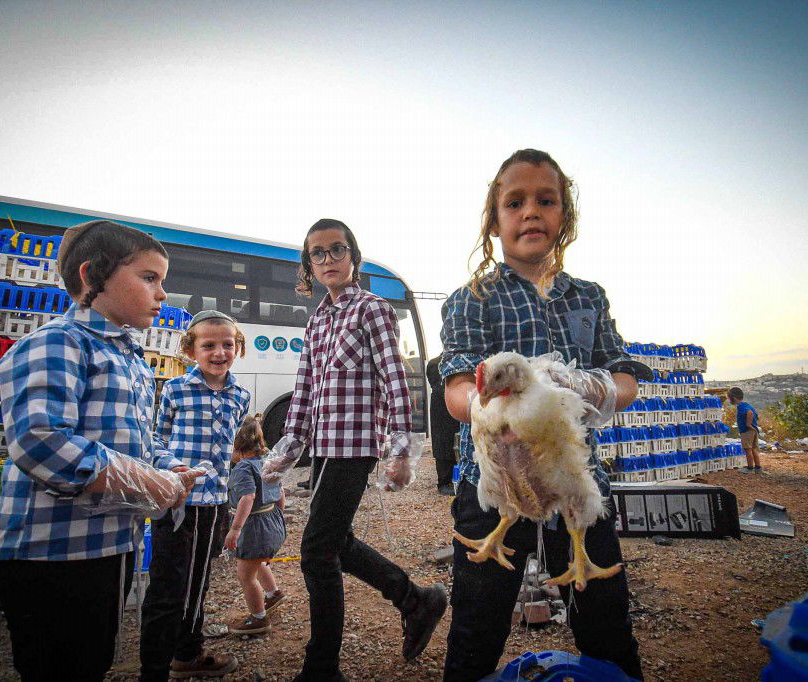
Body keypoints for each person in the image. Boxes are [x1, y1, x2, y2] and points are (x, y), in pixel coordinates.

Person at [440, 149, 647, 682]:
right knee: (476, 627)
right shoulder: (472, 300)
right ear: (495, 222)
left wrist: (594, 387)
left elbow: (625, 376)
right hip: (493, 482)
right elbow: (457, 391)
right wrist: (493, 412)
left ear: (564, 218)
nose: (531, 212)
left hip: (576, 480)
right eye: (515, 202)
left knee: (606, 623)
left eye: (545, 200)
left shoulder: (589, 298)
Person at [0, 220, 205, 682]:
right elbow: (40, 442)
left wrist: (168, 469)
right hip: (50, 556)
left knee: (94, 661)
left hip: (109, 546)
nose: (162, 294)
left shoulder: (132, 359)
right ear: (91, 276)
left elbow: (138, 446)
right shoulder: (57, 342)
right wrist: (148, 482)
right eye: (149, 278)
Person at [262, 218, 447, 682]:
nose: (328, 259)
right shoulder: (318, 319)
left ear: (354, 258)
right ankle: (415, 600)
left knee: (316, 551)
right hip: (324, 446)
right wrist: (287, 450)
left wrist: (402, 449)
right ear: (309, 264)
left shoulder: (373, 309)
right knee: (336, 542)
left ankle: (322, 666)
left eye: (336, 250)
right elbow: (305, 389)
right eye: (317, 253)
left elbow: (395, 377)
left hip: (356, 445)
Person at [140, 310, 250, 681]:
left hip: (214, 504)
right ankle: (155, 666)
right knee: (167, 585)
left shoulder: (241, 395)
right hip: (176, 501)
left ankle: (186, 653)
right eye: (209, 345)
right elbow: (153, 440)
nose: (219, 352)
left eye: (227, 344)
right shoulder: (174, 390)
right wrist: (173, 467)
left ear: (238, 348)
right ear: (191, 350)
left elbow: (232, 449)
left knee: (198, 582)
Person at [225, 415, 287, 635]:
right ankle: (273, 593)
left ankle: (259, 618)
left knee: (246, 574)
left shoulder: (243, 468)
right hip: (272, 521)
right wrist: (280, 514)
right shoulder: (268, 460)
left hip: (254, 527)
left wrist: (235, 529)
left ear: (237, 446)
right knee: (258, 561)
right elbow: (280, 491)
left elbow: (248, 497)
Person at [427, 355, 459, 495]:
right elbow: (437, 386)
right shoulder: (435, 364)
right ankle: (444, 481)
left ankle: (455, 479)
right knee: (443, 444)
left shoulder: (456, 361)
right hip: (442, 409)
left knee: (453, 443)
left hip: (454, 407)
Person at [728, 387, 761, 472]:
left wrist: (748, 424)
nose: (729, 400)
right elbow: (756, 415)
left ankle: (749, 468)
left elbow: (750, 413)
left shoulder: (741, 406)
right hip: (753, 430)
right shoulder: (747, 404)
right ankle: (758, 467)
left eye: (729, 397)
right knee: (754, 449)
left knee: (748, 449)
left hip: (747, 431)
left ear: (734, 398)